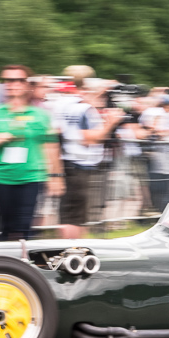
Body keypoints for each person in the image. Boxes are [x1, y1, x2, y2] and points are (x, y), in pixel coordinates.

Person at [0, 65, 62, 240]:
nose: (12, 84)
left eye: (18, 80)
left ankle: (23, 264)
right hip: (0, 176)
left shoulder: (41, 115)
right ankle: (1, 265)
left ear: (27, 85)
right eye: (8, 80)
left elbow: (51, 146)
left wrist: (57, 176)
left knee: (24, 227)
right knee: (3, 228)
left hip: (31, 176)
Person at [55, 65, 124, 239]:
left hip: (69, 161)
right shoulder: (83, 109)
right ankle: (73, 251)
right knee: (76, 216)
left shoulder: (64, 102)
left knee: (70, 213)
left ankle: (71, 249)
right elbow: (90, 138)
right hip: (79, 164)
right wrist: (111, 122)